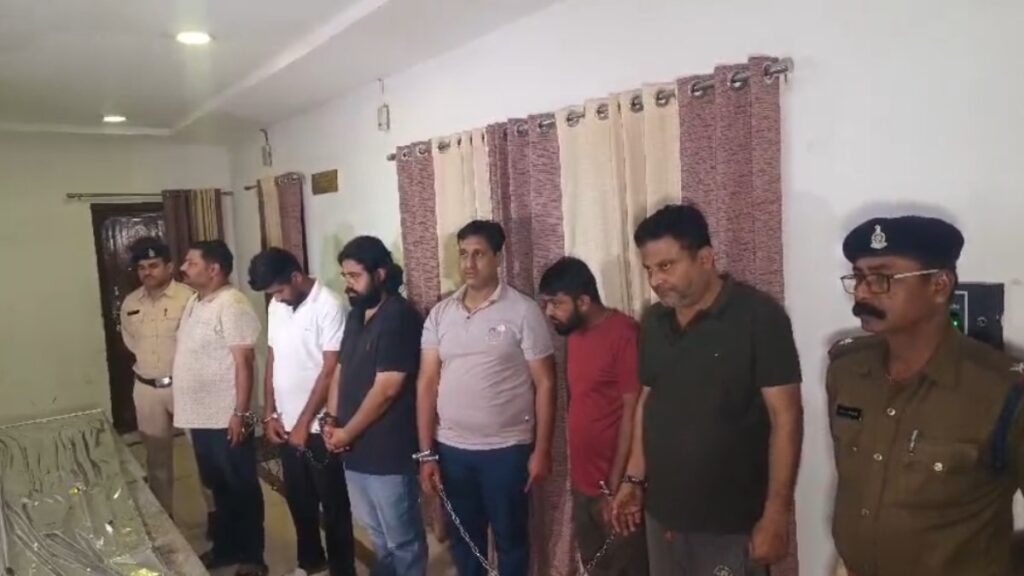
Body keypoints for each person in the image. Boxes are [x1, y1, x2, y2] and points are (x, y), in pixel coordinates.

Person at [612, 204, 803, 576]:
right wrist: (634, 479)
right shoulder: (654, 322)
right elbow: (648, 401)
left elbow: (787, 419)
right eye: (649, 269)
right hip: (663, 516)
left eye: (666, 266)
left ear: (705, 258)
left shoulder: (759, 317)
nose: (656, 280)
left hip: (730, 523)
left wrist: (777, 513)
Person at [828, 216, 1024, 576]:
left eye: (882, 278)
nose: (862, 293)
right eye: (858, 277)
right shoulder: (847, 371)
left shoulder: (1000, 391)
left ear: (939, 285)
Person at [416, 220, 557, 576]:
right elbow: (427, 382)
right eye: (463, 254)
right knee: (465, 541)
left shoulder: (523, 311)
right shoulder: (441, 313)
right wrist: (427, 452)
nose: (469, 263)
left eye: (478, 254)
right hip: (453, 450)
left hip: (506, 450)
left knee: (511, 540)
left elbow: (545, 383)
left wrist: (541, 450)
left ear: (497, 257)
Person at [248, 248, 356, 576]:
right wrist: (270, 413)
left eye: (280, 290)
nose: (277, 298)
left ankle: (342, 569)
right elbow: (273, 357)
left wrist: (304, 423)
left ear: (296, 277)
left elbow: (330, 369)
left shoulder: (330, 305)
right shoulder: (277, 305)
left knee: (333, 504)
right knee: (298, 499)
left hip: (320, 427)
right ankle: (310, 561)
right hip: (285, 422)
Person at [323, 236, 427, 576]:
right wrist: (331, 420)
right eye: (345, 276)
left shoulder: (399, 317)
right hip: (353, 449)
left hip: (387, 452)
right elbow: (340, 371)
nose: (348, 284)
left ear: (380, 274)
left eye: (355, 276)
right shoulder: (356, 315)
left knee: (402, 541)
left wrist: (346, 432)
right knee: (377, 535)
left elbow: (387, 389)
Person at [538, 257, 648, 576]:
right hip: (583, 483)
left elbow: (633, 411)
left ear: (584, 301)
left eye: (556, 303)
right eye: (546, 304)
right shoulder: (573, 335)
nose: (549, 312)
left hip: (617, 487)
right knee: (594, 565)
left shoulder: (624, 333)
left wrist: (616, 484)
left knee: (625, 567)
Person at [174, 240, 266, 576]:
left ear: (213, 269)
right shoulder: (196, 301)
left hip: (226, 416)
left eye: (191, 262)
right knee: (219, 488)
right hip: (200, 416)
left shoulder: (232, 303)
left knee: (241, 486)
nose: (183, 268)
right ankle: (226, 550)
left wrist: (240, 413)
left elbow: (244, 362)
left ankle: (253, 558)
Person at [119, 237, 192, 514]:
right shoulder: (130, 302)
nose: (147, 272)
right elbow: (131, 341)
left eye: (153, 265)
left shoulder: (188, 298)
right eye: (142, 267)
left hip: (184, 386)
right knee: (156, 459)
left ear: (169, 267)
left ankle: (216, 518)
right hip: (147, 388)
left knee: (203, 454)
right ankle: (165, 517)